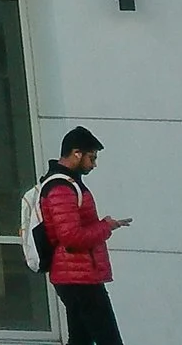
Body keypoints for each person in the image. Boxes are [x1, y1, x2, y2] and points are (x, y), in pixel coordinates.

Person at [42, 126, 131, 345]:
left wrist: (106, 226)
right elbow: (71, 237)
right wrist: (105, 227)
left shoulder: (67, 184)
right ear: (76, 153)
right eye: (92, 158)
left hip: (75, 275)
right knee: (108, 340)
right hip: (78, 277)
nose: (94, 164)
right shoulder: (61, 188)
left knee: (80, 340)